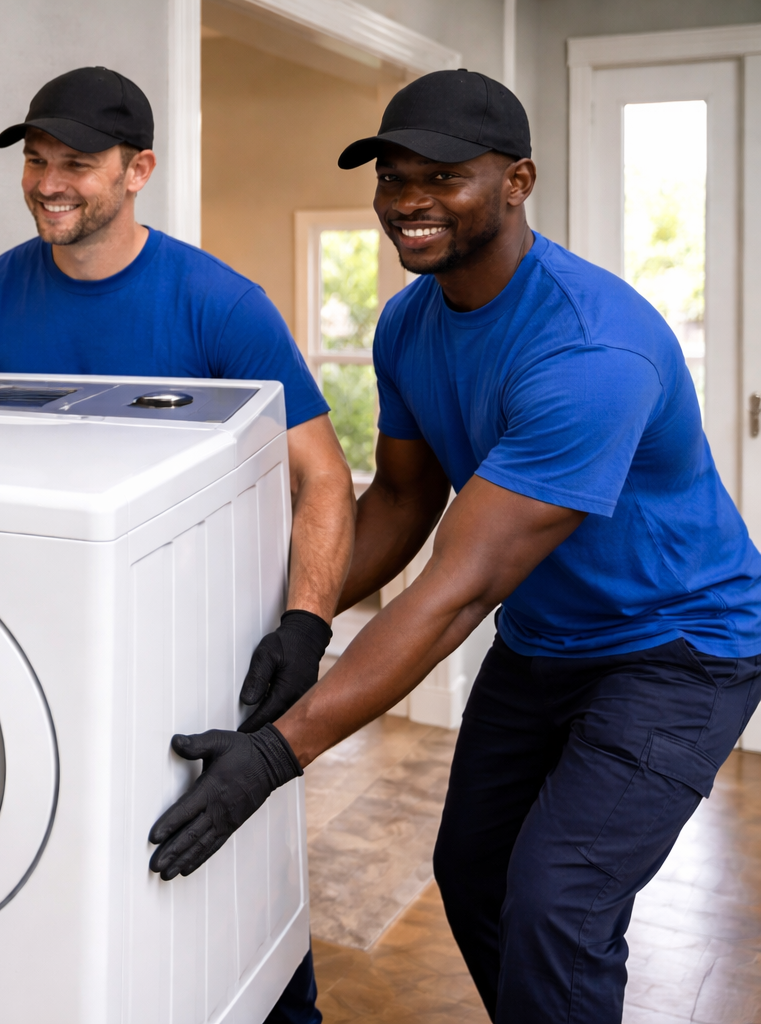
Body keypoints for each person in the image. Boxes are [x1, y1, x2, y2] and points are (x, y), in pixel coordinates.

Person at [147, 69, 761, 1023]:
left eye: (442, 177)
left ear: (516, 181)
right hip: (549, 638)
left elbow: (459, 590)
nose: (408, 203)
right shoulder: (408, 321)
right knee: (472, 870)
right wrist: (300, 621)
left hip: (678, 648)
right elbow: (400, 499)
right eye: (393, 177)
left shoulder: (591, 352)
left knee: (559, 904)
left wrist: (274, 755)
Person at [0, 66, 355, 1024]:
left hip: (192, 645)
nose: (48, 182)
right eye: (36, 160)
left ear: (138, 171)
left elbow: (322, 476)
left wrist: (306, 626)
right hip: (32, 639)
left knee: (228, 871)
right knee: (59, 867)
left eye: (76, 163)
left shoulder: (222, 305)